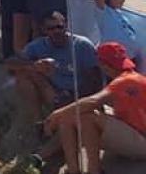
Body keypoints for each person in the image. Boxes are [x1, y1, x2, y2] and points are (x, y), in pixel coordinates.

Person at [45, 41, 146, 174]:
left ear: (104, 65)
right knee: (70, 117)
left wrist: (56, 114)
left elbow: (94, 101)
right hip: (135, 136)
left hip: (141, 141)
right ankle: (73, 169)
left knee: (87, 117)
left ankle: (94, 170)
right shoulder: (134, 78)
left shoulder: (124, 81)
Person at [6, 11, 101, 122]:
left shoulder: (82, 45)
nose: (56, 31)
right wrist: (34, 65)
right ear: (43, 30)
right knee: (23, 76)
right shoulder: (38, 45)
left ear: (66, 25)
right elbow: (10, 63)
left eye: (59, 27)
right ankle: (38, 122)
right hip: (53, 92)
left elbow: (95, 79)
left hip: (78, 94)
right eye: (51, 28)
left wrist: (74, 100)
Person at [93, 0, 142, 70]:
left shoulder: (120, 13)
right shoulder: (104, 12)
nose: (123, 0)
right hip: (113, 61)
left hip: (128, 60)